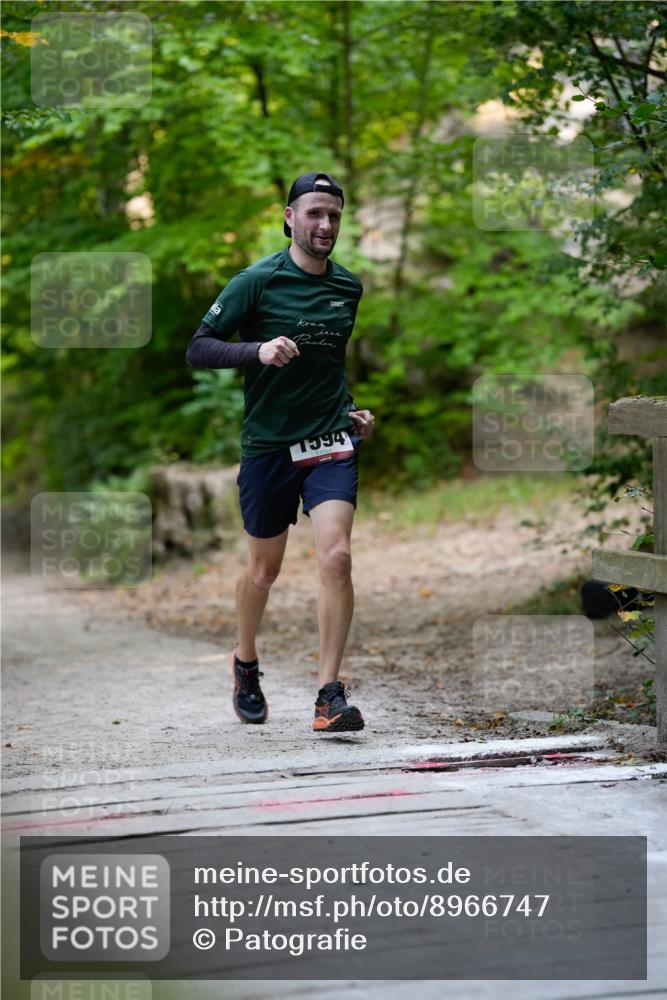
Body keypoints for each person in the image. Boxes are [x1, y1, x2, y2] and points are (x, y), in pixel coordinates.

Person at [186, 172, 375, 733]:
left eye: (334, 215)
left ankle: (329, 696)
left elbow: (328, 365)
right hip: (269, 445)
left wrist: (353, 413)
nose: (325, 224)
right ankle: (245, 662)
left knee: (337, 556)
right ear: (290, 217)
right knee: (264, 571)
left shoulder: (348, 287)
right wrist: (257, 351)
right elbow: (198, 348)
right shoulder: (257, 280)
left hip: (330, 440)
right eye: (314, 212)